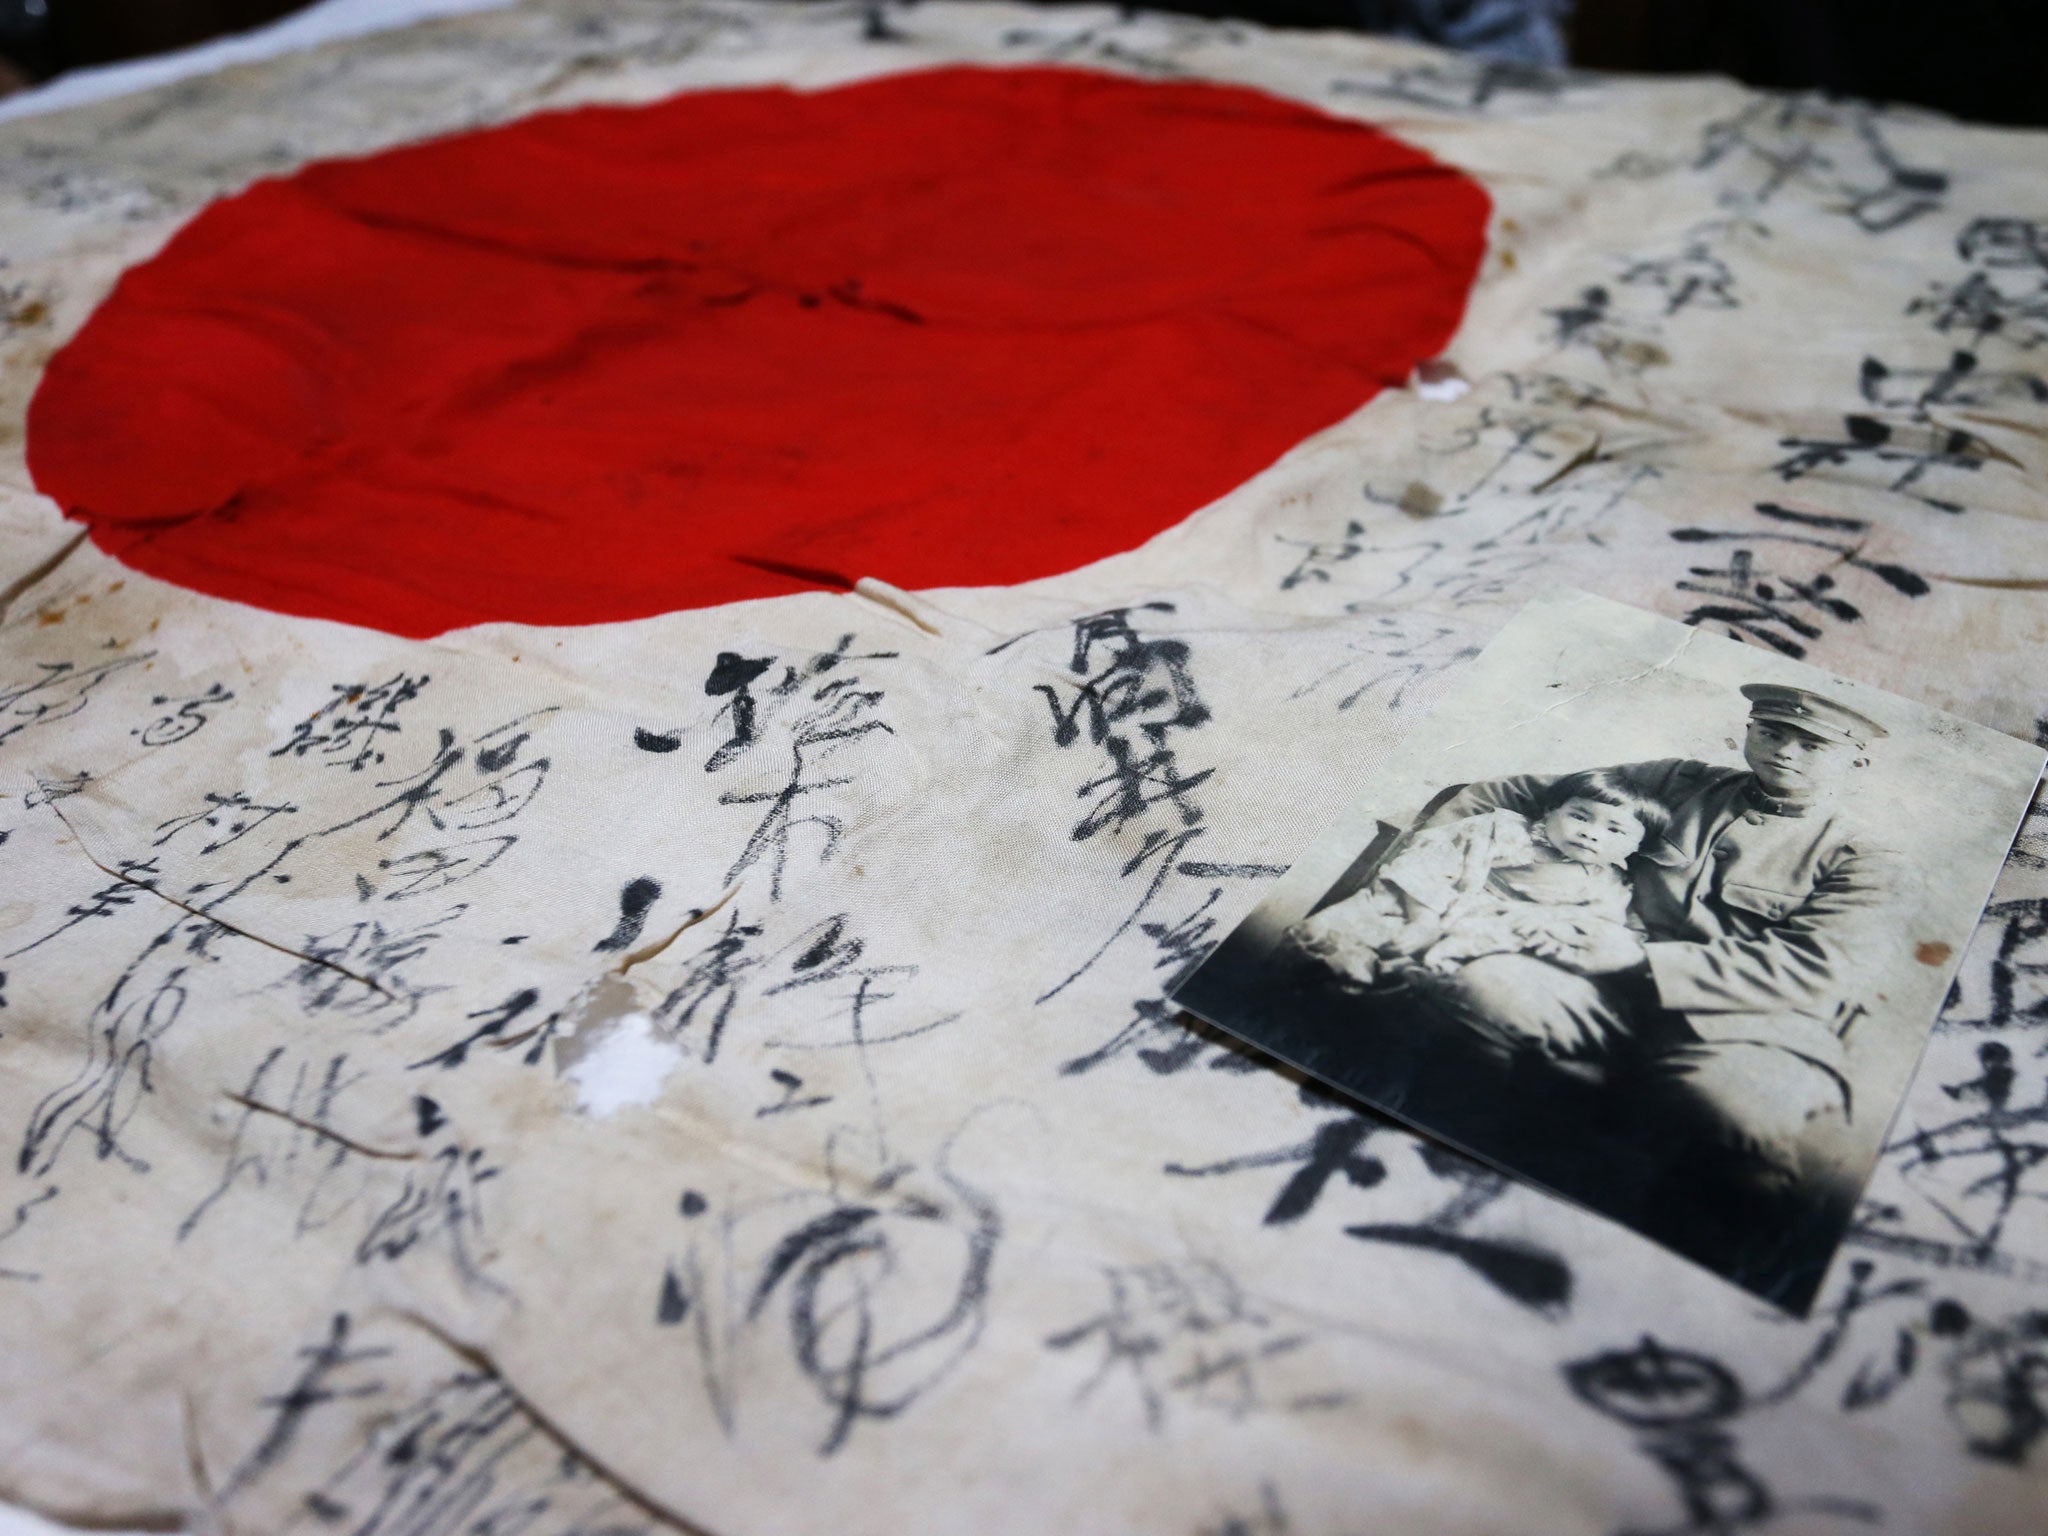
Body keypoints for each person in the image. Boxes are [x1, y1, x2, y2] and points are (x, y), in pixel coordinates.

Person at [1420, 683, 1910, 1206]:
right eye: (1772, 733)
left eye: (1813, 746)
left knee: (1729, 1111)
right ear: (1748, 733)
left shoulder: (1867, 860)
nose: (1785, 751)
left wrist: (1642, 959)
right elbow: (1513, 793)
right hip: (1600, 989)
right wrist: (1429, 869)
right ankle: (1457, 1167)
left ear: (1855, 767)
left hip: (1757, 1027)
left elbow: (1818, 967)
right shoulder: (1678, 783)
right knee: (1483, 988)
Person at [1287, 770, 1669, 986]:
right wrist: (1424, 918)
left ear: (1636, 847)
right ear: (1551, 812)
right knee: (1368, 938)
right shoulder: (1506, 830)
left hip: (1491, 933)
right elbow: (1432, 862)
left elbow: (1596, 926)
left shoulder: (1608, 885)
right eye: (1580, 817)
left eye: (1615, 831)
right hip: (1430, 902)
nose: (1591, 833)